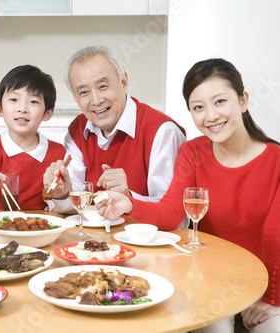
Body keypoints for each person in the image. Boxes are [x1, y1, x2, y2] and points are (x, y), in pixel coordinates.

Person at [97, 58, 280, 332]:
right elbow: (171, 213)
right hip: (211, 279)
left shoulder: (276, 161)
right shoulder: (193, 153)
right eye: (198, 107)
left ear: (243, 101)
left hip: (267, 284)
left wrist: (272, 298)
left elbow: (274, 236)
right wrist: (127, 204)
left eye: (220, 102)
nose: (211, 116)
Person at [43, 46, 186, 214]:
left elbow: (174, 212)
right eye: (84, 92)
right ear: (76, 98)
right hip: (97, 238)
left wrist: (128, 197)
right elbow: (76, 206)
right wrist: (61, 194)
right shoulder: (77, 131)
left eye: (103, 86)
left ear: (123, 83)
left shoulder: (162, 132)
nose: (96, 100)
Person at [0, 64, 65, 210]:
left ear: (47, 113)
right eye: (13, 100)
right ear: (0, 109)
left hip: (38, 228)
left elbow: (61, 194)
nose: (22, 108)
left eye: (33, 102)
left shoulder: (57, 152)